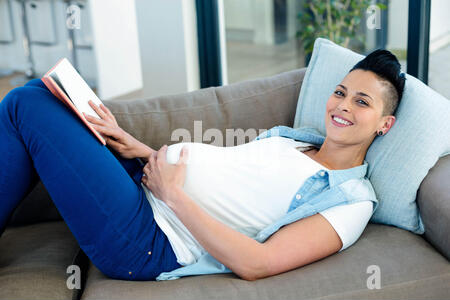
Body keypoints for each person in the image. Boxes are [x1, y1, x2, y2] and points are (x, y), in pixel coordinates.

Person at [0, 49, 405, 281]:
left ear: (385, 124)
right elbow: (225, 180)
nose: (342, 106)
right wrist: (135, 146)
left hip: (150, 239)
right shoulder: (295, 138)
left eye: (362, 102)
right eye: (341, 92)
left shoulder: (351, 201)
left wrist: (173, 195)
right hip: (144, 188)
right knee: (43, 90)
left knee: (24, 104)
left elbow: (257, 264)